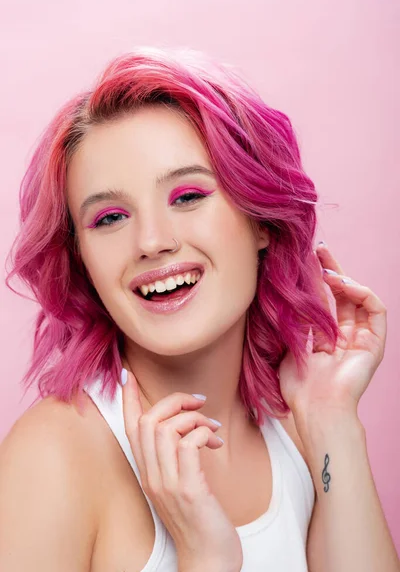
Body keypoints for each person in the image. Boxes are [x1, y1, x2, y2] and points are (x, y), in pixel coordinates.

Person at [0, 46, 398, 572]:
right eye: (111, 217)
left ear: (261, 219)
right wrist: (204, 557)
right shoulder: (54, 456)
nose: (152, 241)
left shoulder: (300, 430)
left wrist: (332, 419)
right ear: (82, 261)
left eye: (187, 196)